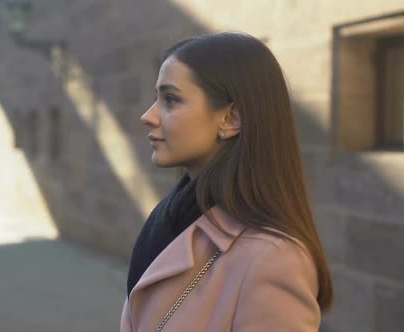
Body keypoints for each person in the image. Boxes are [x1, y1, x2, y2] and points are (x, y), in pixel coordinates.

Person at [121, 32, 333, 331]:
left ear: (231, 119)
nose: (148, 116)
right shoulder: (173, 218)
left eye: (171, 100)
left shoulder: (272, 259)